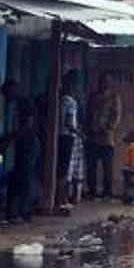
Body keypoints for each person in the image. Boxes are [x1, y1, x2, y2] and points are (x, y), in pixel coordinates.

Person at [2, 80, 41, 222]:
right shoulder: (20, 104)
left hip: (29, 145)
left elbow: (28, 125)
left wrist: (13, 137)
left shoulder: (26, 103)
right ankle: (21, 211)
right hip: (23, 146)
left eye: (9, 94)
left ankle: (25, 212)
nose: (9, 98)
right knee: (21, 178)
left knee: (25, 179)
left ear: (14, 89)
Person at [86, 74, 122, 199]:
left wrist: (107, 128)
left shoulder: (114, 98)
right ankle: (92, 190)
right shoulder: (93, 97)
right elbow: (88, 114)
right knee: (91, 166)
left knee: (107, 167)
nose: (103, 84)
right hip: (92, 137)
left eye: (106, 82)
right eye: (102, 82)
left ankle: (107, 191)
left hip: (106, 138)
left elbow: (116, 116)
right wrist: (89, 128)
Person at [57, 71, 83, 212]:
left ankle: (60, 199)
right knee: (64, 171)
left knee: (60, 170)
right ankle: (62, 201)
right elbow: (69, 123)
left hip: (58, 137)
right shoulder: (71, 102)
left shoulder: (59, 99)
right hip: (67, 137)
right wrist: (80, 134)